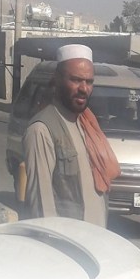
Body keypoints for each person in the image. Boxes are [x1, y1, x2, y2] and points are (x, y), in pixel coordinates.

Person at [21, 44, 120, 225]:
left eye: (89, 82)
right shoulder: (42, 129)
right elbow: (42, 206)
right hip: (68, 242)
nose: (84, 88)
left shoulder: (86, 124)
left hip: (95, 239)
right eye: (76, 80)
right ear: (57, 80)